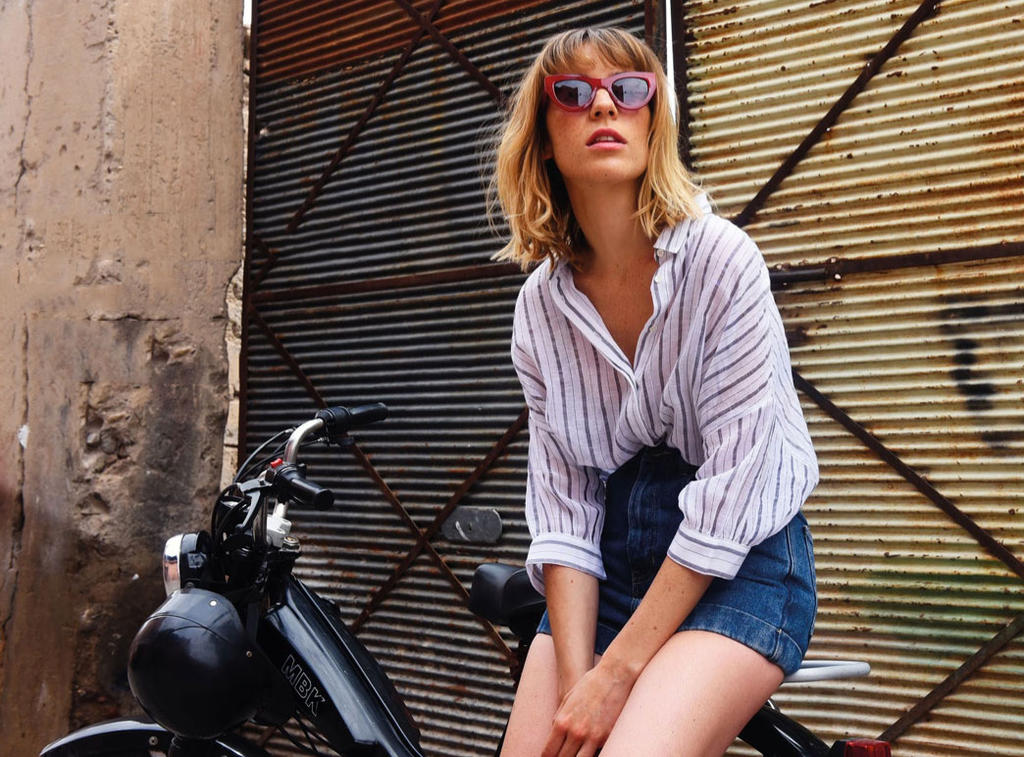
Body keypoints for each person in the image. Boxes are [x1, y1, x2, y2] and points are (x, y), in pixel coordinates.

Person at [490, 27, 820, 757]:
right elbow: (566, 505)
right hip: (608, 561)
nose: (604, 105)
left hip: (742, 561)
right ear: (543, 137)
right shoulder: (540, 307)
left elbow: (736, 489)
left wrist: (616, 675)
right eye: (572, 92)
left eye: (629, 89)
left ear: (653, 119)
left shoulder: (721, 260)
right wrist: (580, 683)